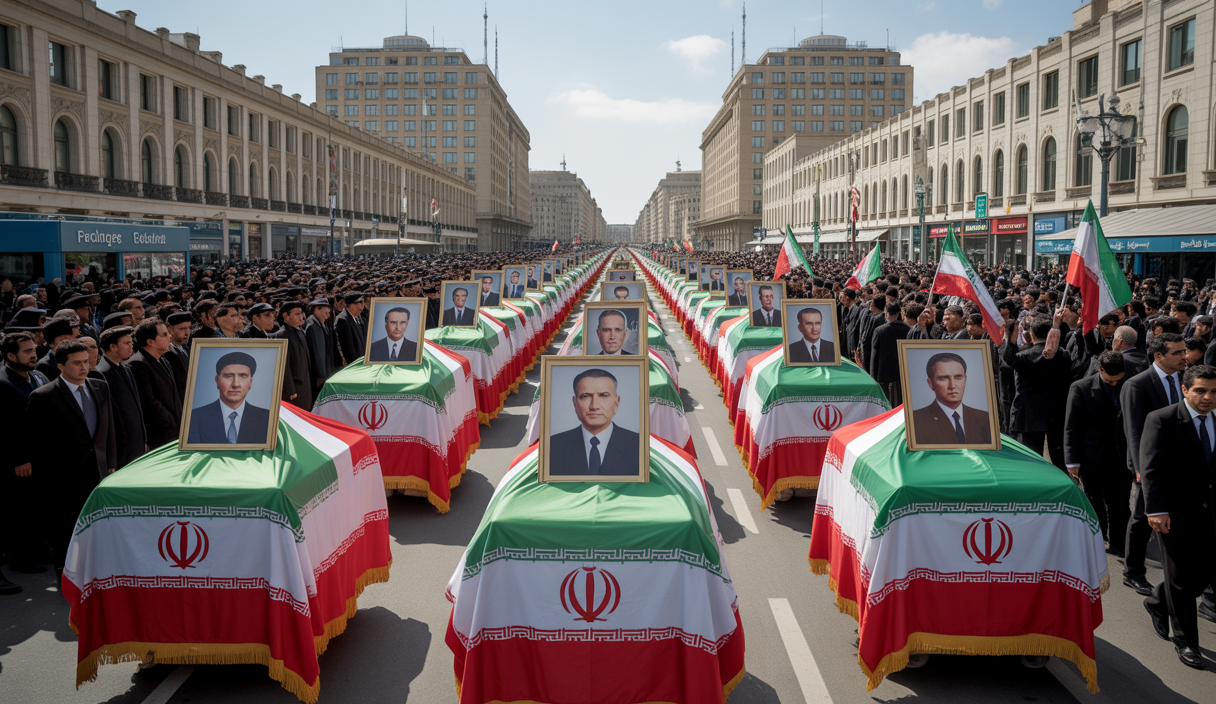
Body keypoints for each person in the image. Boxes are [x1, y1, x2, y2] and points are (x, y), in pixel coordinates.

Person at [1139, 364, 1216, 669]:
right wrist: (1156, 509)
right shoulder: (1162, 419)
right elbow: (1152, 469)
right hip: (1174, 514)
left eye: (1214, 391)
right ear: (1185, 390)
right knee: (1181, 579)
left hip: (1211, 512)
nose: (1208, 397)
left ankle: (1158, 601)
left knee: (1206, 572)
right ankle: (1186, 642)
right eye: (1200, 390)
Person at [25, 339, 116, 575]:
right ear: (60, 366)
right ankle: (67, 577)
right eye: (77, 363)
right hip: (64, 480)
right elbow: (38, 444)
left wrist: (111, 464)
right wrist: (50, 481)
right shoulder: (43, 396)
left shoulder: (101, 387)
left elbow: (110, 430)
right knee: (67, 533)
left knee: (98, 529)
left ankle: (97, 574)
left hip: (99, 474)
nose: (84, 367)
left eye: (86, 361)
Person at [1120, 332, 1187, 597]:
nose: (1184, 357)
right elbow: (1134, 431)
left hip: (1182, 463)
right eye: (1177, 353)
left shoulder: (1186, 380)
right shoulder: (1138, 385)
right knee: (1141, 518)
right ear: (1159, 356)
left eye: (1184, 351)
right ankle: (1133, 572)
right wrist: (1141, 471)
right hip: (1150, 466)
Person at [1064, 350, 1129, 555]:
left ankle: (1119, 543)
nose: (1114, 383)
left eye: (1117, 379)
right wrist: (1072, 461)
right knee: (1094, 501)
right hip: (1092, 457)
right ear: (1100, 370)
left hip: (1121, 458)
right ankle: (1098, 538)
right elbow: (1071, 426)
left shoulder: (1130, 385)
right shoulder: (1081, 388)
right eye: (1109, 380)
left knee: (1120, 504)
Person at [1002, 314, 1072, 469]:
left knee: (1032, 463)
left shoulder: (1023, 357)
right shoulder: (1063, 355)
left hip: (1029, 416)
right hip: (1056, 415)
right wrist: (1056, 326)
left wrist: (1012, 337)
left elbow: (1008, 359)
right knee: (1060, 464)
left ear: (1031, 335)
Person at [548, 368, 641, 476]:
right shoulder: (552, 446)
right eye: (585, 396)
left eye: (603, 395)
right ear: (575, 403)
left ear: (616, 403)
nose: (594, 406)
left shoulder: (639, 445)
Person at [186, 351, 272, 444]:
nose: (235, 384)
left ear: (250, 383)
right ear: (217, 381)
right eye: (228, 376)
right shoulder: (195, 417)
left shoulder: (267, 418)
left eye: (243, 376)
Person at [910, 351, 992, 444]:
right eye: (943, 378)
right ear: (931, 383)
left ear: (965, 380)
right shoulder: (915, 420)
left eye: (958, 377)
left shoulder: (985, 418)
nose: (952, 386)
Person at [94, 325, 147, 468]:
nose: (131, 346)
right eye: (126, 343)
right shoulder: (101, 373)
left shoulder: (126, 369)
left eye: (131, 342)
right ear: (113, 347)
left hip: (136, 444)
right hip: (121, 450)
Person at [128, 319, 183, 449]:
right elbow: (148, 401)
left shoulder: (164, 360)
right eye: (164, 334)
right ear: (150, 342)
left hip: (174, 430)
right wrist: (169, 420)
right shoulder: (138, 364)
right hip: (159, 433)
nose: (170, 337)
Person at [869, 302, 910, 406]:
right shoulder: (908, 330)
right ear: (898, 314)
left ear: (886, 314)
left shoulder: (879, 330)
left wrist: (872, 374)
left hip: (883, 373)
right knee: (898, 401)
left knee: (884, 402)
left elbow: (874, 355)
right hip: (901, 372)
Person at [275, 301, 312, 410]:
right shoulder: (283, 335)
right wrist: (290, 389)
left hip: (305, 383)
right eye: (296, 314)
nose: (301, 317)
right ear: (285, 316)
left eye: (301, 313)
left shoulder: (300, 331)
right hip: (295, 388)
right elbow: (284, 366)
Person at [0, 330, 49, 398]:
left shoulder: (39, 376)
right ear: (11, 356)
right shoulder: (4, 383)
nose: (34, 355)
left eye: (34, 350)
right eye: (28, 351)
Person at [34, 317, 79, 382]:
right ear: (52, 343)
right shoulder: (45, 366)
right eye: (63, 340)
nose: (68, 343)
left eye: (70, 340)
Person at [304, 300, 334, 394]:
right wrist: (320, 375)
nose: (327, 316)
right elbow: (317, 353)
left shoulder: (320, 324)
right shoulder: (313, 326)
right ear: (316, 309)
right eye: (325, 313)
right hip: (319, 376)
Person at [335, 293, 366, 365]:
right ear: (353, 304)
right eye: (360, 302)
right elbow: (348, 348)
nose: (362, 305)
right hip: (354, 364)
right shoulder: (343, 320)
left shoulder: (358, 317)